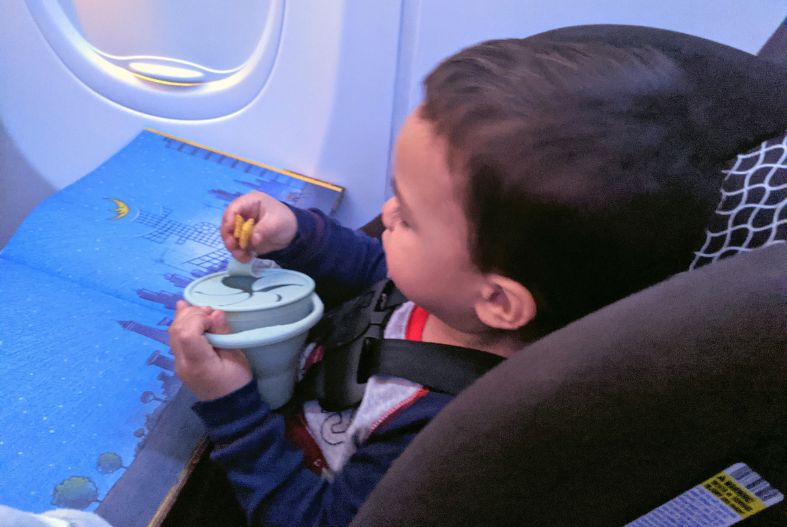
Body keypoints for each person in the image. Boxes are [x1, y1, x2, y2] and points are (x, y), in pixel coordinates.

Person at [169, 37, 722, 526]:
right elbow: (380, 278)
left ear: (498, 300)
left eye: (408, 217)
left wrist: (231, 407)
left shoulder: (440, 435)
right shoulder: (457, 299)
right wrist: (298, 235)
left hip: (276, 480)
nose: (386, 213)